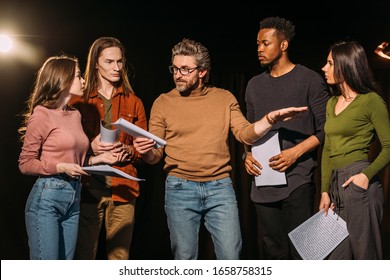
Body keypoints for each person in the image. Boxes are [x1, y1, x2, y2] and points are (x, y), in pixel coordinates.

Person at [133, 38, 308, 260]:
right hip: (180, 188)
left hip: (220, 188)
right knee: (185, 258)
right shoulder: (163, 102)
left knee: (230, 256)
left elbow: (244, 133)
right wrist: (146, 150)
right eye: (175, 68)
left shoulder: (224, 98)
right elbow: (155, 156)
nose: (178, 74)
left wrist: (270, 119)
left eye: (185, 69)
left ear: (202, 71)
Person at [243, 17, 329, 259]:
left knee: (304, 253)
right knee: (274, 253)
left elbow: (326, 130)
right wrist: (246, 155)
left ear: (283, 45)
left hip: (297, 181)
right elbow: (249, 131)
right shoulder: (254, 85)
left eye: (265, 43)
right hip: (263, 182)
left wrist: (295, 153)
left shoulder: (310, 80)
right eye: (257, 44)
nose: (259, 49)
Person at [18, 55, 119, 260]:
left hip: (74, 196)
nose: (83, 81)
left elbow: (75, 161)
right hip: (47, 198)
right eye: (78, 76)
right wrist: (61, 167)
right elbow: (25, 163)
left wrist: (97, 159)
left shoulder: (75, 114)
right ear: (62, 79)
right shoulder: (42, 114)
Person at [69, 37, 148, 260]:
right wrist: (90, 146)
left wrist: (129, 150)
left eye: (120, 62)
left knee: (119, 259)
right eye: (110, 62)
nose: (116, 68)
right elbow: (65, 146)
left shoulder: (134, 102)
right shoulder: (79, 101)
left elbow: (143, 150)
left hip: (123, 188)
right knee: (84, 255)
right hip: (87, 187)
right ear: (95, 63)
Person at [320, 40, 390, 259]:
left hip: (358, 182)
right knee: (336, 259)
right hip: (335, 187)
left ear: (345, 65)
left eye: (330, 63)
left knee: (364, 257)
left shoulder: (371, 101)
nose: (324, 68)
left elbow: (389, 146)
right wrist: (324, 190)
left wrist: (365, 176)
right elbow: (328, 148)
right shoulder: (331, 103)